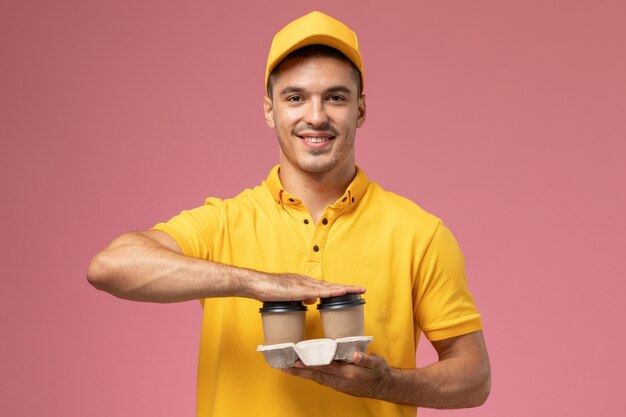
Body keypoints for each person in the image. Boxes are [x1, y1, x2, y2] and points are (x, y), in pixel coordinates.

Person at [88, 10, 491, 417]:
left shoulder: (419, 234)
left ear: (361, 110)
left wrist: (388, 383)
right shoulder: (225, 223)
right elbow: (110, 266)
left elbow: (475, 378)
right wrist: (261, 284)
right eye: (295, 97)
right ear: (270, 110)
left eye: (335, 97)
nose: (316, 116)